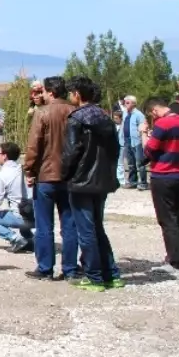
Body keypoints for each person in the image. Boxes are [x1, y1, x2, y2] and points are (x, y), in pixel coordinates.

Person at [61, 76, 123, 291]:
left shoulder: (77, 119)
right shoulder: (105, 117)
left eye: (71, 93)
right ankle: (112, 273)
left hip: (81, 181)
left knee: (85, 231)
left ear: (77, 94)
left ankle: (94, 276)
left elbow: (71, 152)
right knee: (98, 227)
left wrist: (64, 174)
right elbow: (116, 150)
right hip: (102, 181)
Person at [24, 76, 79, 282]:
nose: (42, 95)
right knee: (69, 225)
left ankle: (45, 268)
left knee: (45, 226)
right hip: (70, 176)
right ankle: (71, 268)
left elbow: (33, 145)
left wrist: (29, 169)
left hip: (46, 175)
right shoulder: (75, 112)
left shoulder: (43, 113)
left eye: (44, 92)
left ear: (51, 92)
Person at [145, 98, 179, 272]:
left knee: (166, 218)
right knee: (175, 215)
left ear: (154, 111)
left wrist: (144, 134)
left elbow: (149, 150)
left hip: (163, 174)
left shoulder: (162, 124)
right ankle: (175, 253)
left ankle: (174, 259)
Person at [0, 141, 33, 252]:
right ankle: (31, 241)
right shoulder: (23, 168)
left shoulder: (2, 175)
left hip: (21, 216)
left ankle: (15, 238)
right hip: (36, 214)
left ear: (5, 156)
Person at [119, 95, 147, 191]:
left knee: (140, 162)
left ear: (133, 103)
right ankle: (132, 182)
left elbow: (143, 128)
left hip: (137, 141)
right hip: (127, 140)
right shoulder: (125, 113)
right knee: (130, 163)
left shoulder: (139, 115)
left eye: (127, 102)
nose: (125, 104)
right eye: (124, 102)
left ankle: (143, 183)